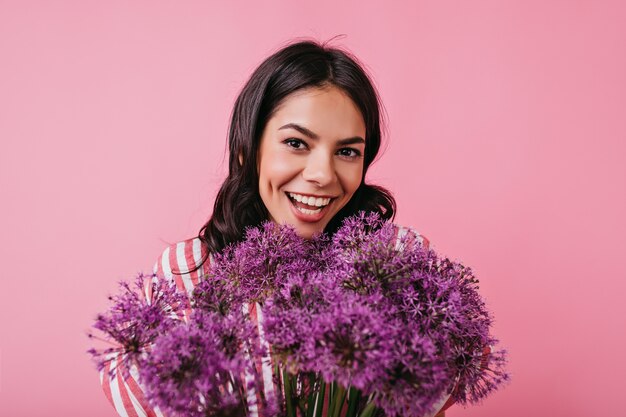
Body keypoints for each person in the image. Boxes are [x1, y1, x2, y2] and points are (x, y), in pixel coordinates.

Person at [99, 38, 455, 417]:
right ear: (247, 149)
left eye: (347, 151)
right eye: (296, 143)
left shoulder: (397, 260)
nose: (322, 175)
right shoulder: (187, 274)